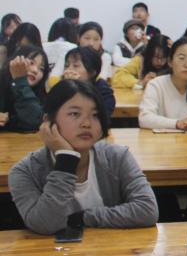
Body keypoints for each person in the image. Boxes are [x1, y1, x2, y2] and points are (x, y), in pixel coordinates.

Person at [9, 79, 158, 235]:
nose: (86, 123)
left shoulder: (117, 157)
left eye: (95, 115)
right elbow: (46, 224)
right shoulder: (25, 171)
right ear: (48, 121)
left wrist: (83, 217)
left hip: (111, 248)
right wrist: (66, 159)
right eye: (75, 114)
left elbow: (147, 210)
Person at [0, 46, 49, 132]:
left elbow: (35, 122)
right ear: (15, 62)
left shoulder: (39, 95)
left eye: (41, 69)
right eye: (31, 63)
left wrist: (20, 81)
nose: (35, 70)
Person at [54, 47, 115, 116]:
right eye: (66, 65)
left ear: (92, 72)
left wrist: (76, 89)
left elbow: (102, 117)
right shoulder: (61, 87)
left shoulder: (103, 92)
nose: (69, 69)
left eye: (75, 66)